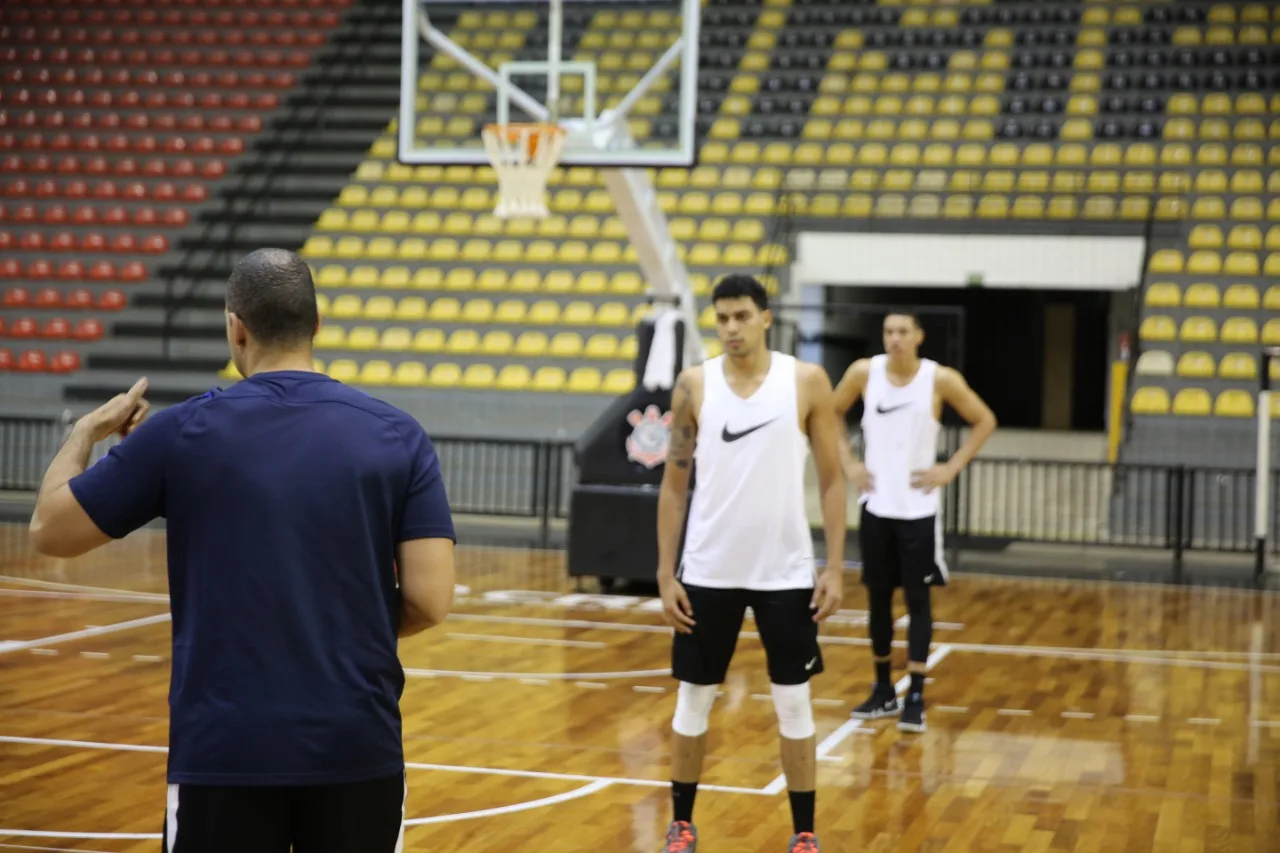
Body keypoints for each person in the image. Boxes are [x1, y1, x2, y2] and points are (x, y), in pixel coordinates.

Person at [28, 248, 457, 853]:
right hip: (356, 745)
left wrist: (83, 436)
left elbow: (49, 528)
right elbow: (430, 601)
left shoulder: (178, 434)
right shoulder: (399, 434)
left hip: (223, 750)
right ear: (317, 325)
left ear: (236, 328)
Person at [655, 274, 846, 853]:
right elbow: (673, 486)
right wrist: (665, 574)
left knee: (794, 702)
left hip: (785, 574)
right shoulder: (693, 386)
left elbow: (835, 480)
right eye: (723, 318)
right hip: (707, 571)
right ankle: (682, 824)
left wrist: (834, 567)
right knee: (693, 698)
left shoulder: (807, 381)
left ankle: (804, 834)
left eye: (742, 316)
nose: (732, 328)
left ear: (766, 317)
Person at [832, 311, 995, 734]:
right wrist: (849, 462)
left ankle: (916, 694)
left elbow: (984, 419)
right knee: (877, 600)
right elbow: (828, 414)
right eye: (888, 331)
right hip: (876, 507)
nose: (895, 339)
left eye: (903, 332)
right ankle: (883, 688)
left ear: (919, 337)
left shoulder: (939, 379)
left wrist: (951, 467)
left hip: (918, 511)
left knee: (918, 602)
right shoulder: (864, 372)